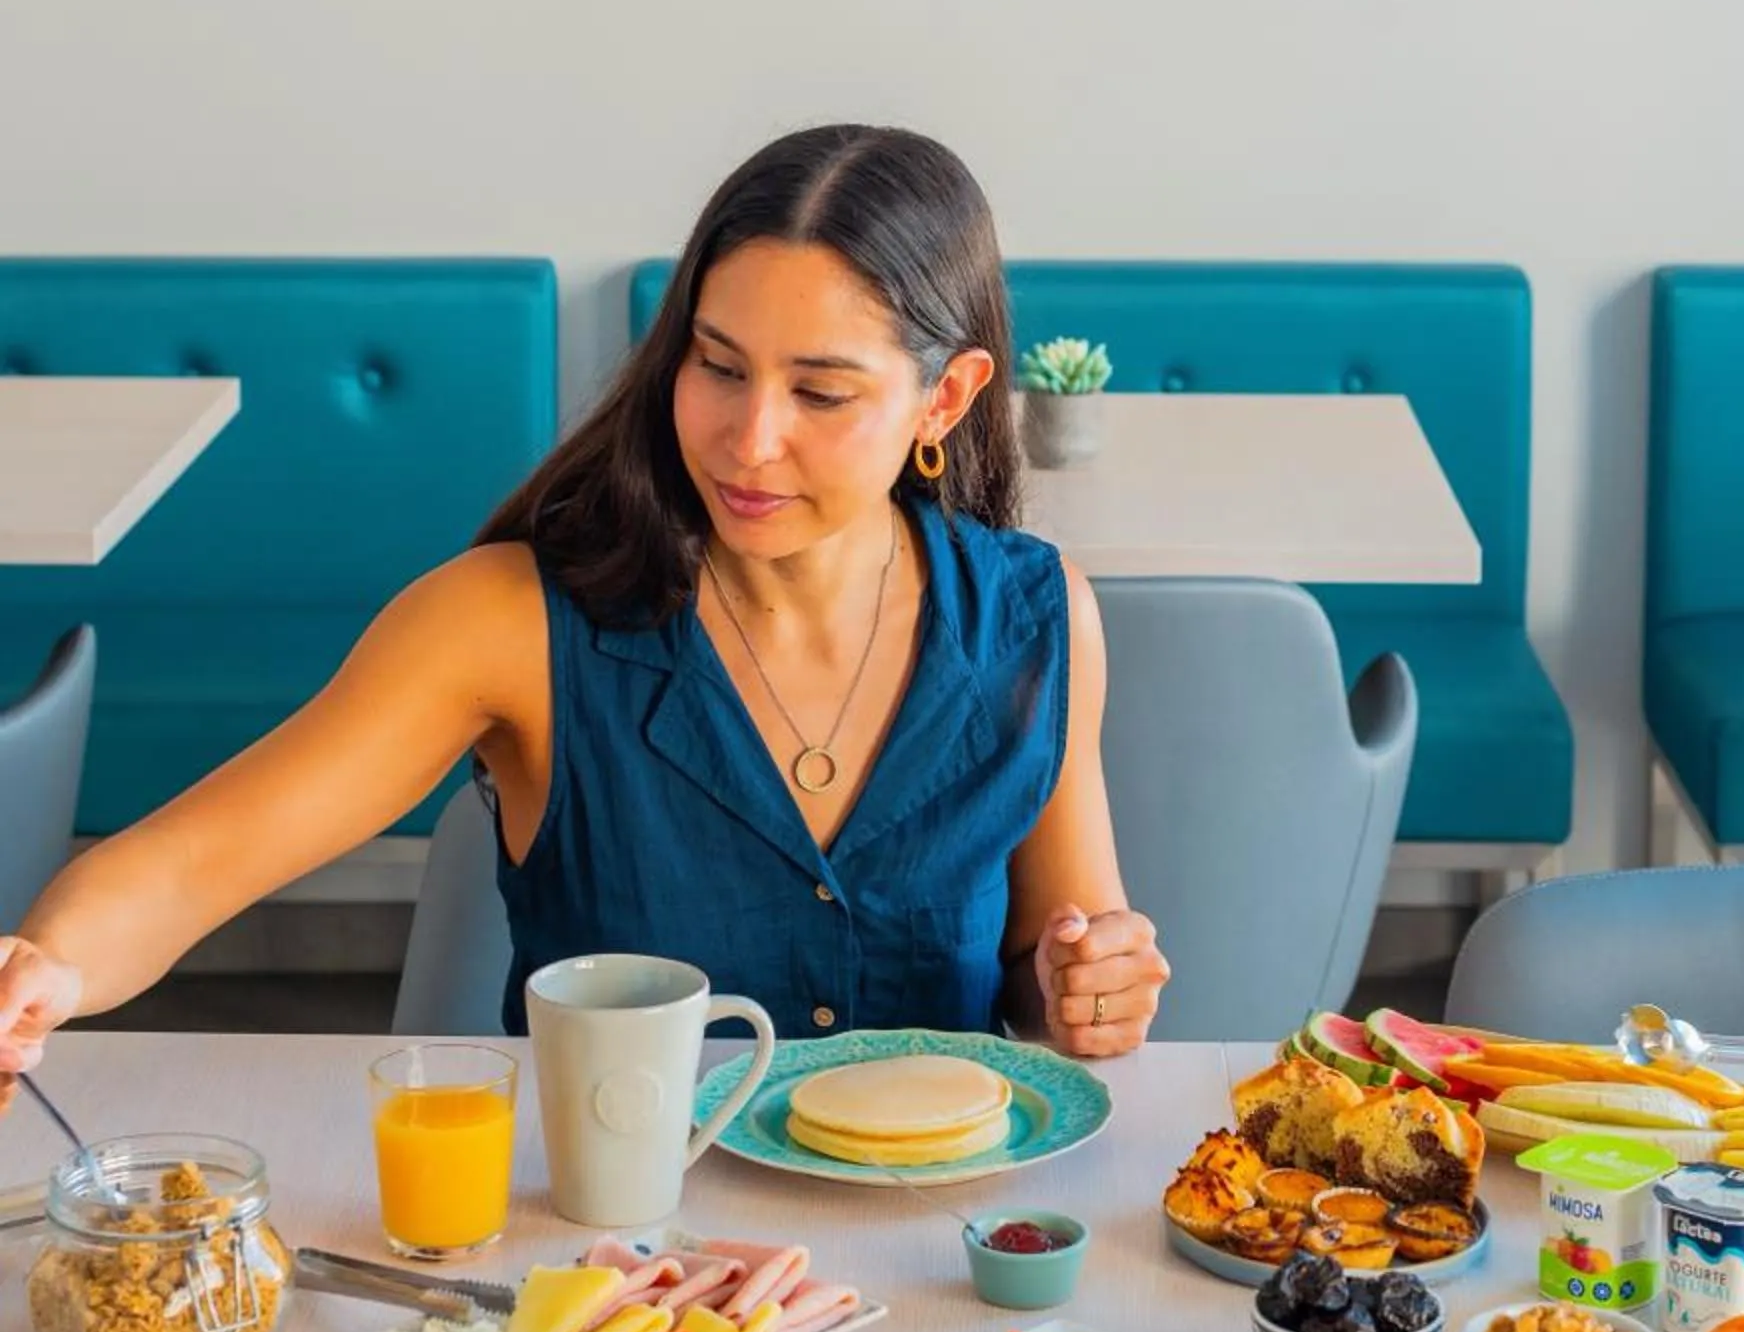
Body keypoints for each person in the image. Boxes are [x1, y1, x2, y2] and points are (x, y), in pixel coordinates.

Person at [0, 124, 1168, 1115]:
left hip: (927, 1275)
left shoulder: (1033, 616)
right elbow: (194, 861)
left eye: (820, 392)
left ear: (947, 397)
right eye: (717, 366)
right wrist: (40, 972)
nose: (749, 439)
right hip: (609, 1275)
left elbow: (1047, 958)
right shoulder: (506, 620)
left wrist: (1087, 988)